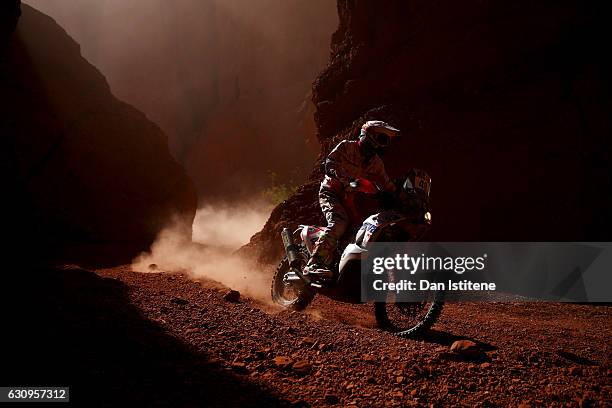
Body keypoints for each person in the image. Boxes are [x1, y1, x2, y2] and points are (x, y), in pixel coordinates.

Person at [304, 120, 400, 279]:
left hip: (354, 200)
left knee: (365, 231)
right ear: (370, 135)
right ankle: (314, 263)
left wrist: (401, 197)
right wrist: (345, 178)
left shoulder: (376, 163)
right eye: (383, 139)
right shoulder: (346, 147)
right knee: (339, 222)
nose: (385, 144)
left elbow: (387, 185)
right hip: (332, 191)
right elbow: (328, 163)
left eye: (387, 140)